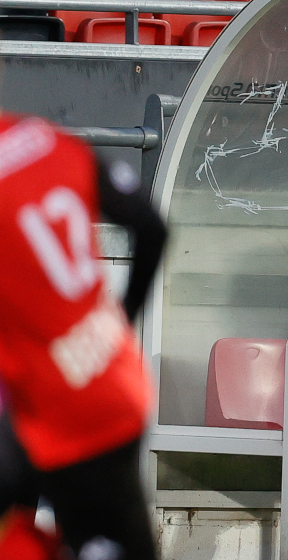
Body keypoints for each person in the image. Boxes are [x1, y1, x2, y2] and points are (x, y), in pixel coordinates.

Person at [0, 113, 167, 560]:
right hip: (111, 385)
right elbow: (152, 228)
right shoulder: (49, 140)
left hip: (41, 407)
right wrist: (117, 324)